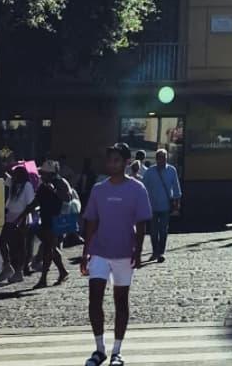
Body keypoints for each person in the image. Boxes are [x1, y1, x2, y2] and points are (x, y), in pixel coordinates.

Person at [82, 142, 153, 366]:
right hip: (100, 251)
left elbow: (141, 223)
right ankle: (99, 348)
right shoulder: (98, 189)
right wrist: (86, 252)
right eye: (109, 160)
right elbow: (91, 221)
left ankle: (117, 351)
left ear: (126, 162)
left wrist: (139, 250)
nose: (111, 164)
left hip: (124, 252)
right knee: (95, 298)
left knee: (121, 301)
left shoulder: (137, 189)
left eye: (116, 160)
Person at [34, 160, 73, 287]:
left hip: (57, 220)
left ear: (51, 174)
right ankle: (62, 271)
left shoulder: (61, 182)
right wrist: (23, 214)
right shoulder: (43, 184)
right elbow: (36, 201)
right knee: (50, 247)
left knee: (48, 248)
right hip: (45, 219)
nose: (42, 175)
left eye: (44, 173)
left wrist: (54, 190)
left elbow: (68, 198)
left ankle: (43, 278)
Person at [0, 163, 37, 284]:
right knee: (2, 241)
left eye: (16, 173)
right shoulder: (13, 184)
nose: (13, 175)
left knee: (18, 246)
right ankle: (7, 265)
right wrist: (6, 165)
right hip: (10, 217)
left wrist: (22, 219)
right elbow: (4, 175)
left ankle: (18, 271)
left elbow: (30, 204)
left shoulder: (27, 186)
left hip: (21, 218)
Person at [142, 148, 181, 262]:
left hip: (165, 206)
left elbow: (176, 186)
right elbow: (143, 188)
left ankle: (161, 252)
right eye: (160, 158)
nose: (162, 160)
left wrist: (177, 202)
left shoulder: (171, 170)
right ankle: (155, 252)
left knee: (163, 230)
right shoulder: (150, 172)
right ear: (156, 159)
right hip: (152, 206)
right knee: (154, 231)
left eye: (164, 158)